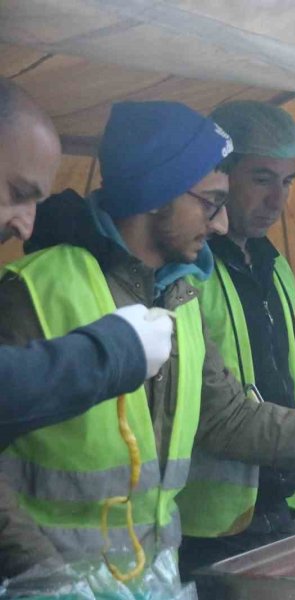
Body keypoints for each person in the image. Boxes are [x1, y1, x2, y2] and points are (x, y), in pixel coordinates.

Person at [0, 100, 295, 585]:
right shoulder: (33, 292)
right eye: (210, 203)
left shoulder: (178, 294)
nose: (220, 224)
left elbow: (227, 415)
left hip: (148, 575)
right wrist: (42, 576)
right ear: (157, 192)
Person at [174, 100, 295, 571]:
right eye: (261, 180)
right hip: (204, 524)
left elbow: (287, 385)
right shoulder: (186, 274)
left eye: (287, 183)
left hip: (281, 507)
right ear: (221, 176)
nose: (277, 202)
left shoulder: (278, 267)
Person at [0, 78, 174, 445]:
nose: (26, 227)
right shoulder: (30, 282)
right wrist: (115, 352)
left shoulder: (183, 288)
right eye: (17, 193)